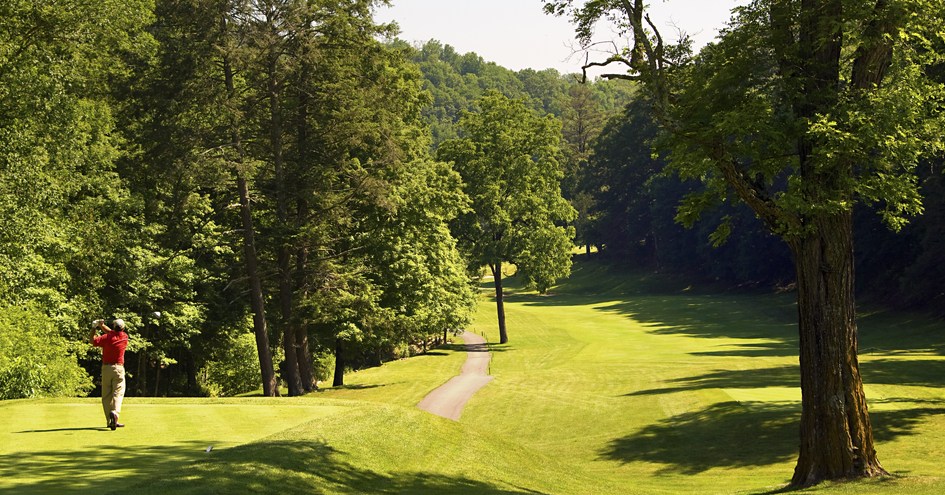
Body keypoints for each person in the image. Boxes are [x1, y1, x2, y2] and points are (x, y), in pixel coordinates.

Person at [89, 318, 129, 430]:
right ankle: (115, 413)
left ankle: (109, 420)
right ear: (123, 328)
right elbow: (112, 332)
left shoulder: (106, 338)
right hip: (119, 368)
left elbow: (92, 341)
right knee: (118, 393)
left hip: (106, 368)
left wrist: (94, 327)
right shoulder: (124, 337)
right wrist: (102, 325)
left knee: (106, 395)